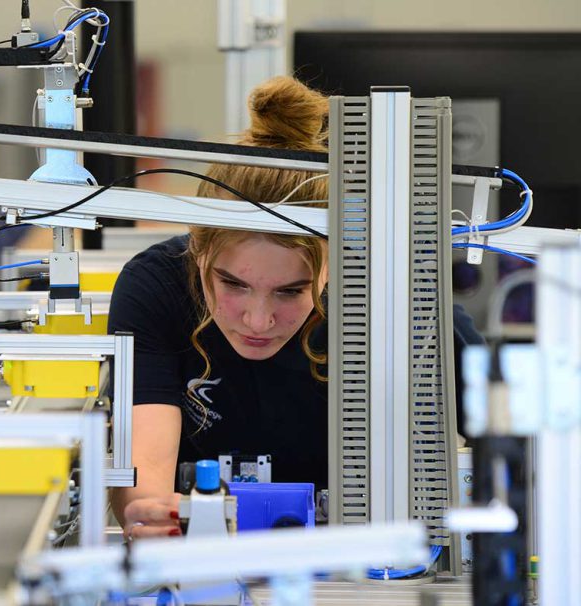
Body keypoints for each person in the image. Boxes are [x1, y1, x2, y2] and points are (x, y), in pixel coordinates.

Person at [107, 76, 481, 541]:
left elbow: (516, 446)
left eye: (290, 292)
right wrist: (152, 516)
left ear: (334, 266)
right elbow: (144, 476)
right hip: (204, 550)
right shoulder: (157, 287)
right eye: (233, 284)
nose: (258, 319)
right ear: (198, 252)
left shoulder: (390, 298)